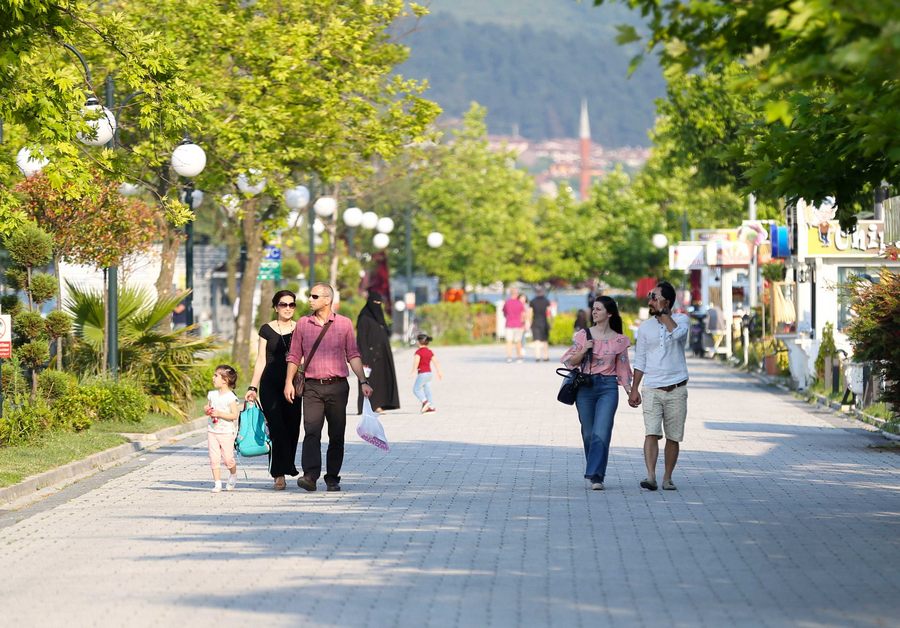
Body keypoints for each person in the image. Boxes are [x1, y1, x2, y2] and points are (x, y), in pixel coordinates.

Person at [284, 283, 373, 493]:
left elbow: (353, 354)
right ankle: (310, 476)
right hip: (312, 387)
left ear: (327, 300)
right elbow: (294, 355)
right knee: (311, 432)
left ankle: (332, 477)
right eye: (310, 296)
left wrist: (363, 381)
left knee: (336, 434)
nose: (310, 299)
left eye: (314, 296)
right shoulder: (303, 324)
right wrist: (288, 381)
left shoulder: (344, 324)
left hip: (338, 387)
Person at [561, 296, 632, 491]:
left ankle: (596, 475)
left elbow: (623, 368)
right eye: (594, 309)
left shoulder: (619, 340)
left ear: (609, 313)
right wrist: (584, 350)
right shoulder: (583, 335)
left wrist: (630, 392)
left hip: (608, 388)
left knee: (602, 431)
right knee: (588, 433)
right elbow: (569, 361)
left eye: (599, 309)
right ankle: (594, 470)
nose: (594, 312)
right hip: (585, 387)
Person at [628, 281, 690, 492]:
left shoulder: (682, 320)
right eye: (650, 297)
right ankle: (651, 476)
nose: (650, 301)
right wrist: (634, 388)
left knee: (673, 436)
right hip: (652, 387)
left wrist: (664, 315)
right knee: (651, 432)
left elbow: (677, 335)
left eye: (654, 297)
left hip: (676, 387)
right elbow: (640, 360)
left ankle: (668, 477)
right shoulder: (645, 327)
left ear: (667, 301)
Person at [245, 290, 302, 490]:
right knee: (276, 428)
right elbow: (261, 360)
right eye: (283, 304)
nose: (288, 308)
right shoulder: (266, 329)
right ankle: (278, 473)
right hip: (270, 384)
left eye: (291, 305)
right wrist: (253, 386)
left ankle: (288, 464)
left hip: (294, 384)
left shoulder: (301, 327)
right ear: (275, 307)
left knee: (293, 427)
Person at [356, 290, 400, 414]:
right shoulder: (364, 318)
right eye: (375, 302)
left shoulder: (379, 317)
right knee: (370, 381)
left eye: (379, 302)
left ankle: (380, 404)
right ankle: (370, 406)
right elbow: (361, 339)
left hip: (382, 355)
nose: (377, 305)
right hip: (369, 356)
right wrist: (364, 357)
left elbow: (386, 332)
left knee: (382, 380)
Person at [205, 364, 240, 493]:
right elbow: (207, 407)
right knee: (214, 457)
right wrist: (207, 410)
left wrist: (220, 414)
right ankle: (217, 483)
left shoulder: (231, 397)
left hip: (226, 432)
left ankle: (233, 473)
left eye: (216, 376)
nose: (213, 378)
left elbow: (234, 415)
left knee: (228, 459)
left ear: (225, 380)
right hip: (212, 430)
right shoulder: (212, 395)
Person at [412, 333, 443, 413]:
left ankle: (425, 402)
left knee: (416, 389)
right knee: (427, 390)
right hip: (429, 374)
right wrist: (439, 372)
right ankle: (431, 407)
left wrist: (413, 371)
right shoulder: (429, 352)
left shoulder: (418, 352)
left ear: (419, 342)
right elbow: (436, 362)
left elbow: (416, 362)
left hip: (422, 373)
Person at [502, 287, 526, 362]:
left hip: (509, 324)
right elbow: (523, 314)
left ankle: (509, 357)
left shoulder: (507, 302)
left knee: (509, 341)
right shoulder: (520, 303)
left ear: (510, 294)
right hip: (518, 325)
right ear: (517, 294)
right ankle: (519, 357)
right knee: (518, 341)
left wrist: (508, 317)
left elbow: (504, 312)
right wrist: (523, 323)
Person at [530, 287, 552, 362]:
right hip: (544, 322)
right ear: (542, 292)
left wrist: (529, 322)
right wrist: (551, 322)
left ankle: (537, 356)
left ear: (536, 292)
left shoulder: (532, 301)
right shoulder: (546, 301)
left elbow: (530, 313)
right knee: (545, 340)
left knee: (536, 340)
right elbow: (549, 313)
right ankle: (546, 356)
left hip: (535, 322)